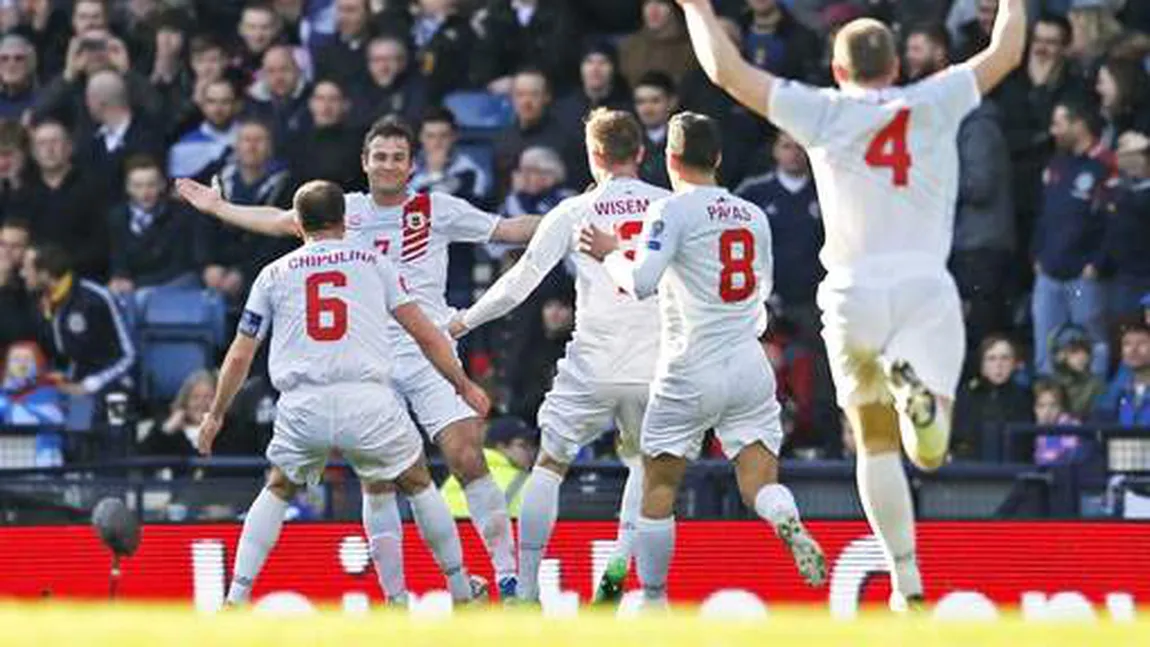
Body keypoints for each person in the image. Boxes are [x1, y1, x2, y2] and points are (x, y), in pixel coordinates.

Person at [671, 0, 1026, 609]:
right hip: (924, 287)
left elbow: (728, 72)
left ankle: (907, 583)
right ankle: (924, 411)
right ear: (896, 65)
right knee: (931, 453)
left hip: (852, 292)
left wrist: (696, 7)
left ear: (837, 70)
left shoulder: (824, 111)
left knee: (874, 440)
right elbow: (1005, 52)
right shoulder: (934, 99)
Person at [177, 115, 541, 601]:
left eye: (397, 157)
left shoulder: (438, 208)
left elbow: (511, 229)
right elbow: (279, 219)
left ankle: (507, 576)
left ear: (411, 165)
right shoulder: (344, 210)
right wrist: (221, 208)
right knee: (380, 481)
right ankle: (400, 595)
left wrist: (576, 216)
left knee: (466, 455)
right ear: (365, 162)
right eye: (380, 156)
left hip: (425, 345)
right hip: (366, 354)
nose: (388, 165)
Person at [198, 179, 490, 607]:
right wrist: (462, 384)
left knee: (278, 487)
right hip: (366, 398)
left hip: (302, 404)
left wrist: (215, 414)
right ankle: (462, 592)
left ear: (298, 224)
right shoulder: (374, 263)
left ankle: (236, 596)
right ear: (346, 221)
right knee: (417, 482)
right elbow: (427, 336)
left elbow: (241, 354)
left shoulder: (273, 274)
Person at [581, 111, 826, 609]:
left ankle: (653, 600)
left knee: (659, 486)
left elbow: (642, 282)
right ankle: (786, 519)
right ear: (717, 157)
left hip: (689, 366)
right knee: (759, 480)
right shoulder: (753, 214)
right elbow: (764, 288)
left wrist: (610, 253)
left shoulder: (672, 211)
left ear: (669, 159)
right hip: (748, 364)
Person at [450, 109, 671, 603]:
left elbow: (517, 284)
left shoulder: (574, 212)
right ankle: (619, 562)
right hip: (655, 365)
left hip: (592, 362)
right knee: (643, 466)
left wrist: (465, 320)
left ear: (593, 155)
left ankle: (526, 590)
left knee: (550, 465)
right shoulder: (671, 207)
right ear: (640, 153)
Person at [1031, 99, 1111, 377]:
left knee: (1091, 347)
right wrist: (1036, 255)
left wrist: (1097, 264)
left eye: (1059, 124)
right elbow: (1044, 214)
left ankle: (1094, 414)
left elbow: (1111, 222)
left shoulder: (1104, 165)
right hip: (1049, 272)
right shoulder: (1056, 164)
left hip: (1083, 275)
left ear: (1079, 124)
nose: (1053, 131)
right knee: (1046, 351)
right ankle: (1047, 414)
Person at [20, 243, 135, 398]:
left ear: (45, 274)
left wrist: (88, 386)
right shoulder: (40, 301)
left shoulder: (94, 298)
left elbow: (128, 356)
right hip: (68, 387)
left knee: (85, 417)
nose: (22, 273)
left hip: (110, 388)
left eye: (27, 268)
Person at [107, 156, 202, 295]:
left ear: (162, 185)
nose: (145, 192)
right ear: (127, 187)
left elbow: (180, 266)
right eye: (137, 186)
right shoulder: (117, 217)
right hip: (130, 290)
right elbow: (117, 261)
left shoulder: (180, 216)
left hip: (171, 287)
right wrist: (119, 279)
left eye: (151, 185)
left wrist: (136, 285)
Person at [952, 334, 1033, 460]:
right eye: (991, 359)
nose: (998, 365)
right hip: (970, 469)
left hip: (1012, 469)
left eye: (1005, 358)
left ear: (1014, 364)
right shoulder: (966, 395)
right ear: (982, 366)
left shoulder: (1025, 397)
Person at [441, 416, 538, 519]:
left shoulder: (458, 475)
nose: (531, 452)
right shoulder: (524, 481)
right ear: (501, 447)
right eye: (523, 445)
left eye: (533, 445)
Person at [1094, 322, 1150, 427]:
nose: (1133, 350)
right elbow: (1099, 422)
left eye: (1142, 343)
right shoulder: (1116, 389)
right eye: (1127, 344)